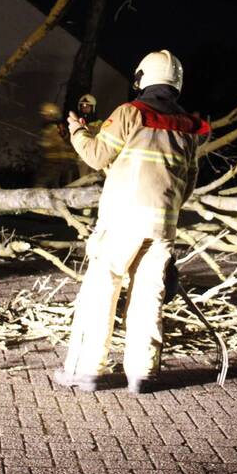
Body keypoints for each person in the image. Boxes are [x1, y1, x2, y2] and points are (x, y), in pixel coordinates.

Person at [54, 49, 209, 394]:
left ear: (142, 79)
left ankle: (84, 371)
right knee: (148, 298)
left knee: (102, 290)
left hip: (123, 221)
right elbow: (189, 181)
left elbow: (96, 156)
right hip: (162, 227)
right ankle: (143, 374)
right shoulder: (187, 127)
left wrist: (78, 131)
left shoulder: (129, 114)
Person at [35, 102, 78, 187]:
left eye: (47, 115)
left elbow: (63, 142)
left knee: (42, 183)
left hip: (58, 161)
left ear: (53, 115)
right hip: (56, 161)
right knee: (54, 185)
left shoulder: (56, 128)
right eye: (44, 115)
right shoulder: (51, 127)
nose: (45, 117)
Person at [74, 94, 104, 178]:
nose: (84, 109)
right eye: (82, 107)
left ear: (93, 108)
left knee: (93, 179)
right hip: (81, 157)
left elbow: (97, 133)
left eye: (87, 107)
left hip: (93, 155)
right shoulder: (77, 123)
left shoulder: (99, 123)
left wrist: (86, 127)